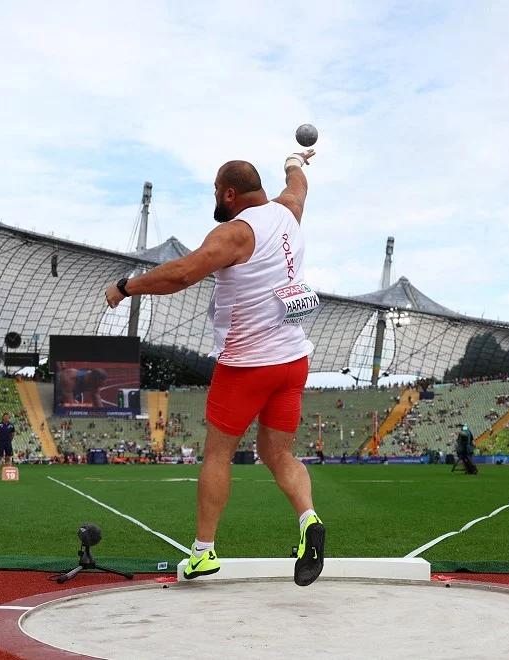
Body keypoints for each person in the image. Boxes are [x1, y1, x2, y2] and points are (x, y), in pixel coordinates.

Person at [105, 149, 324, 586]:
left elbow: (183, 274)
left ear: (229, 193)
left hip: (246, 366)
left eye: (215, 192)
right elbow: (298, 187)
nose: (215, 199)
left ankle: (203, 552)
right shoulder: (288, 212)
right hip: (293, 361)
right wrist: (294, 161)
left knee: (218, 454)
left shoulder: (235, 233)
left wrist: (126, 287)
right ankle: (309, 521)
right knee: (277, 452)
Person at [0, 413, 15, 478]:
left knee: (8, 457)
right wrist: (0, 440)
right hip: (0, 443)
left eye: (7, 417)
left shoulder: (11, 425)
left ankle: (8, 472)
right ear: (3, 417)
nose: (6, 418)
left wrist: (9, 440)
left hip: (8, 443)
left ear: (9, 418)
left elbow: (13, 434)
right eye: (5, 417)